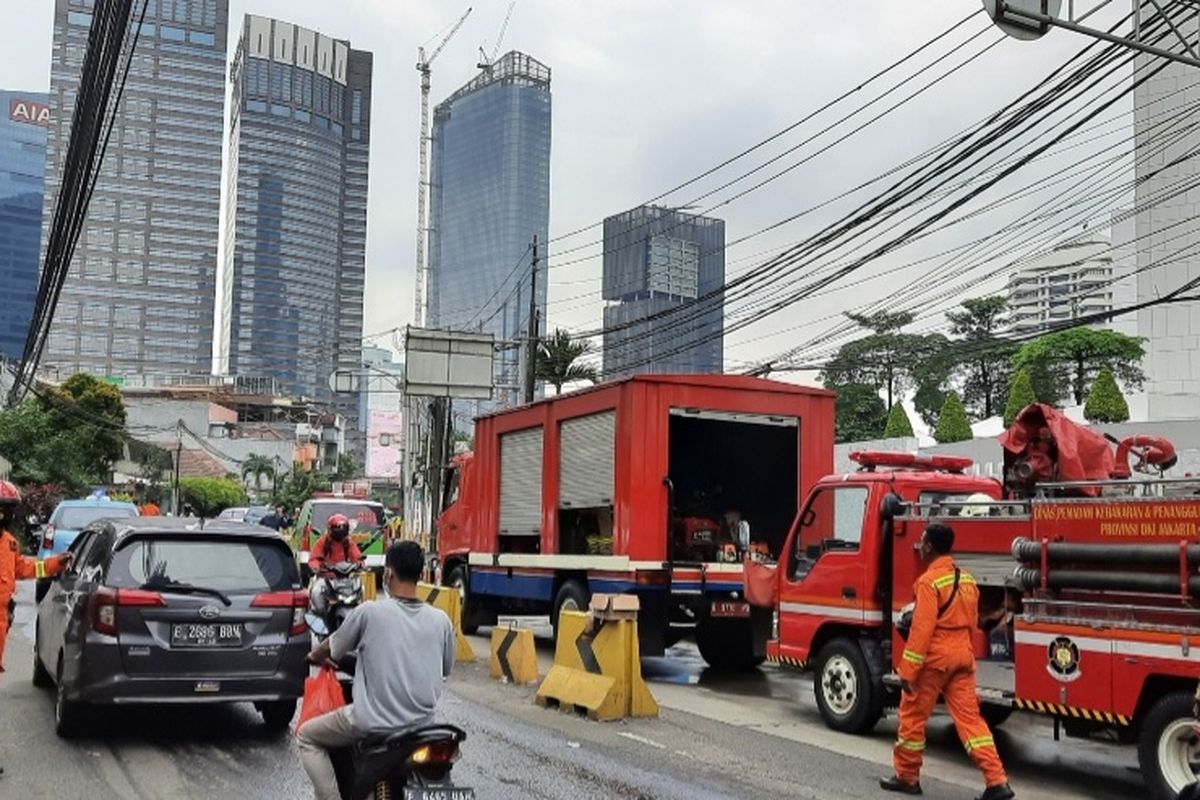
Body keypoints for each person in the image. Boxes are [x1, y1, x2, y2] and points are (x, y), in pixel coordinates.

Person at [298, 541, 455, 800]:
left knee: (306, 736)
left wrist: (313, 656)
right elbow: (444, 668)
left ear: (389, 573)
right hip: (423, 727)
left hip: (372, 723)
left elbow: (330, 647)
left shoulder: (370, 612)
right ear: (421, 574)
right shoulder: (442, 621)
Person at [881, 522, 1014, 800]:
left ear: (929, 547)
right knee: (972, 723)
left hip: (935, 660)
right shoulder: (967, 579)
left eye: (922, 541)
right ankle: (997, 781)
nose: (919, 546)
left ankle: (907, 777)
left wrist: (908, 670)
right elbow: (973, 622)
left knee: (912, 718)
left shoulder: (929, 582)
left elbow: (922, 630)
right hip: (962, 658)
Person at [0, 480, 71, 777]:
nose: (5, 516)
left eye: (9, 511)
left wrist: (56, 564)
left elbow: (26, 569)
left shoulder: (10, 544)